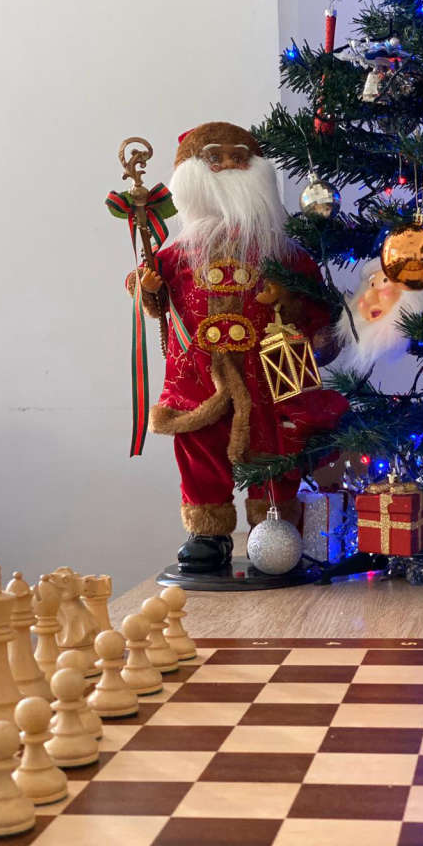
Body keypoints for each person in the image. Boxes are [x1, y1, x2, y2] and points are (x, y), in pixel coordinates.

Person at [127, 121, 348, 572]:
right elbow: (151, 294)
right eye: (215, 157)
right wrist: (147, 287)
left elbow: (314, 300)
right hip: (199, 378)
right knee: (199, 450)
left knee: (278, 447)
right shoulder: (178, 253)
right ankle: (208, 533)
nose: (228, 165)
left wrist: (317, 328)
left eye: (238, 158)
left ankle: (276, 529)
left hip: (270, 374)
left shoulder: (283, 253)